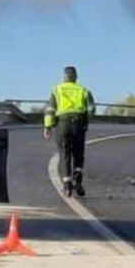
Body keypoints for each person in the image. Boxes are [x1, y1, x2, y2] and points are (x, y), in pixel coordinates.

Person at [43, 66, 94, 197]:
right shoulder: (83, 90)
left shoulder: (57, 89)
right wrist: (86, 121)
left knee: (65, 153)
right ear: (76, 77)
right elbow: (91, 109)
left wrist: (48, 127)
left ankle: (66, 186)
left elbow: (50, 110)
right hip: (78, 124)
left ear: (64, 77)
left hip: (62, 124)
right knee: (78, 153)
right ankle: (77, 179)